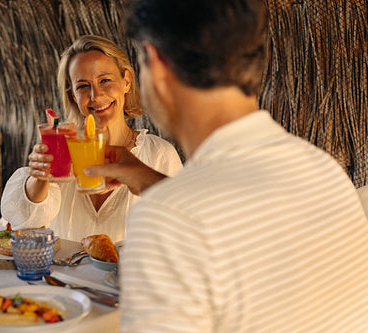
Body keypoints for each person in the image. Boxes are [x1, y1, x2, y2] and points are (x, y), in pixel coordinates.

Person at [85, 0, 368, 331]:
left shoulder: (168, 218)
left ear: (157, 66)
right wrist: (151, 181)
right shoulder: (325, 172)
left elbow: (196, 221)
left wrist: (166, 201)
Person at [0, 35, 182, 242]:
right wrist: (38, 176)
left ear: (126, 81)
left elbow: (184, 230)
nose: (95, 95)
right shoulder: (61, 154)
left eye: (105, 80)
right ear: (73, 96)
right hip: (62, 275)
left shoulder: (159, 154)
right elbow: (25, 222)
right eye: (83, 86)